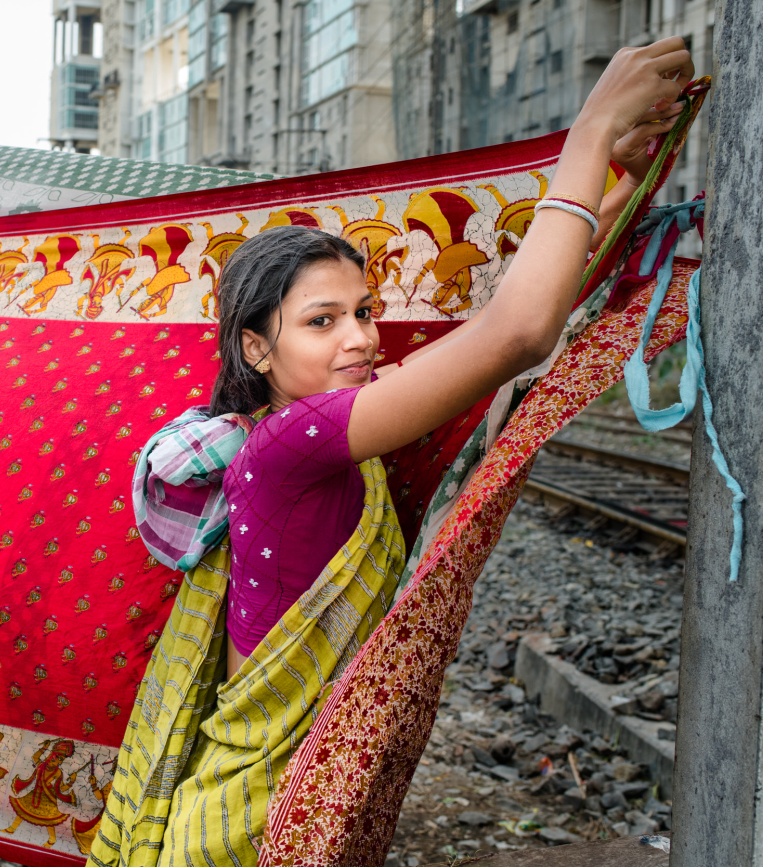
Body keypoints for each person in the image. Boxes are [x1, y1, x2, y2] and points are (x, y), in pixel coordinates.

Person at [96, 37, 694, 867]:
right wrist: (587, 134)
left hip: (283, 811)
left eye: (364, 311)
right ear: (256, 351)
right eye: (321, 320)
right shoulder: (291, 443)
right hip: (248, 828)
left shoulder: (338, 437)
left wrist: (619, 182)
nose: (360, 337)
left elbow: (520, 315)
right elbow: (515, 332)